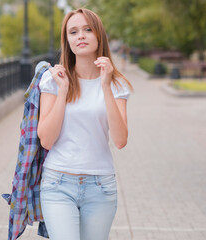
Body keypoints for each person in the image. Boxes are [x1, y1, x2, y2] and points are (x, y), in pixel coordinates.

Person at [37, 8, 133, 240]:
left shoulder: (116, 84)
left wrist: (105, 85)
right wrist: (63, 92)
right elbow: (46, 139)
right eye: (73, 32)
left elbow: (120, 140)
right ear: (67, 40)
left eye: (87, 30)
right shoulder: (53, 80)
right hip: (58, 183)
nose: (80, 35)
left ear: (98, 36)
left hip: (100, 186)